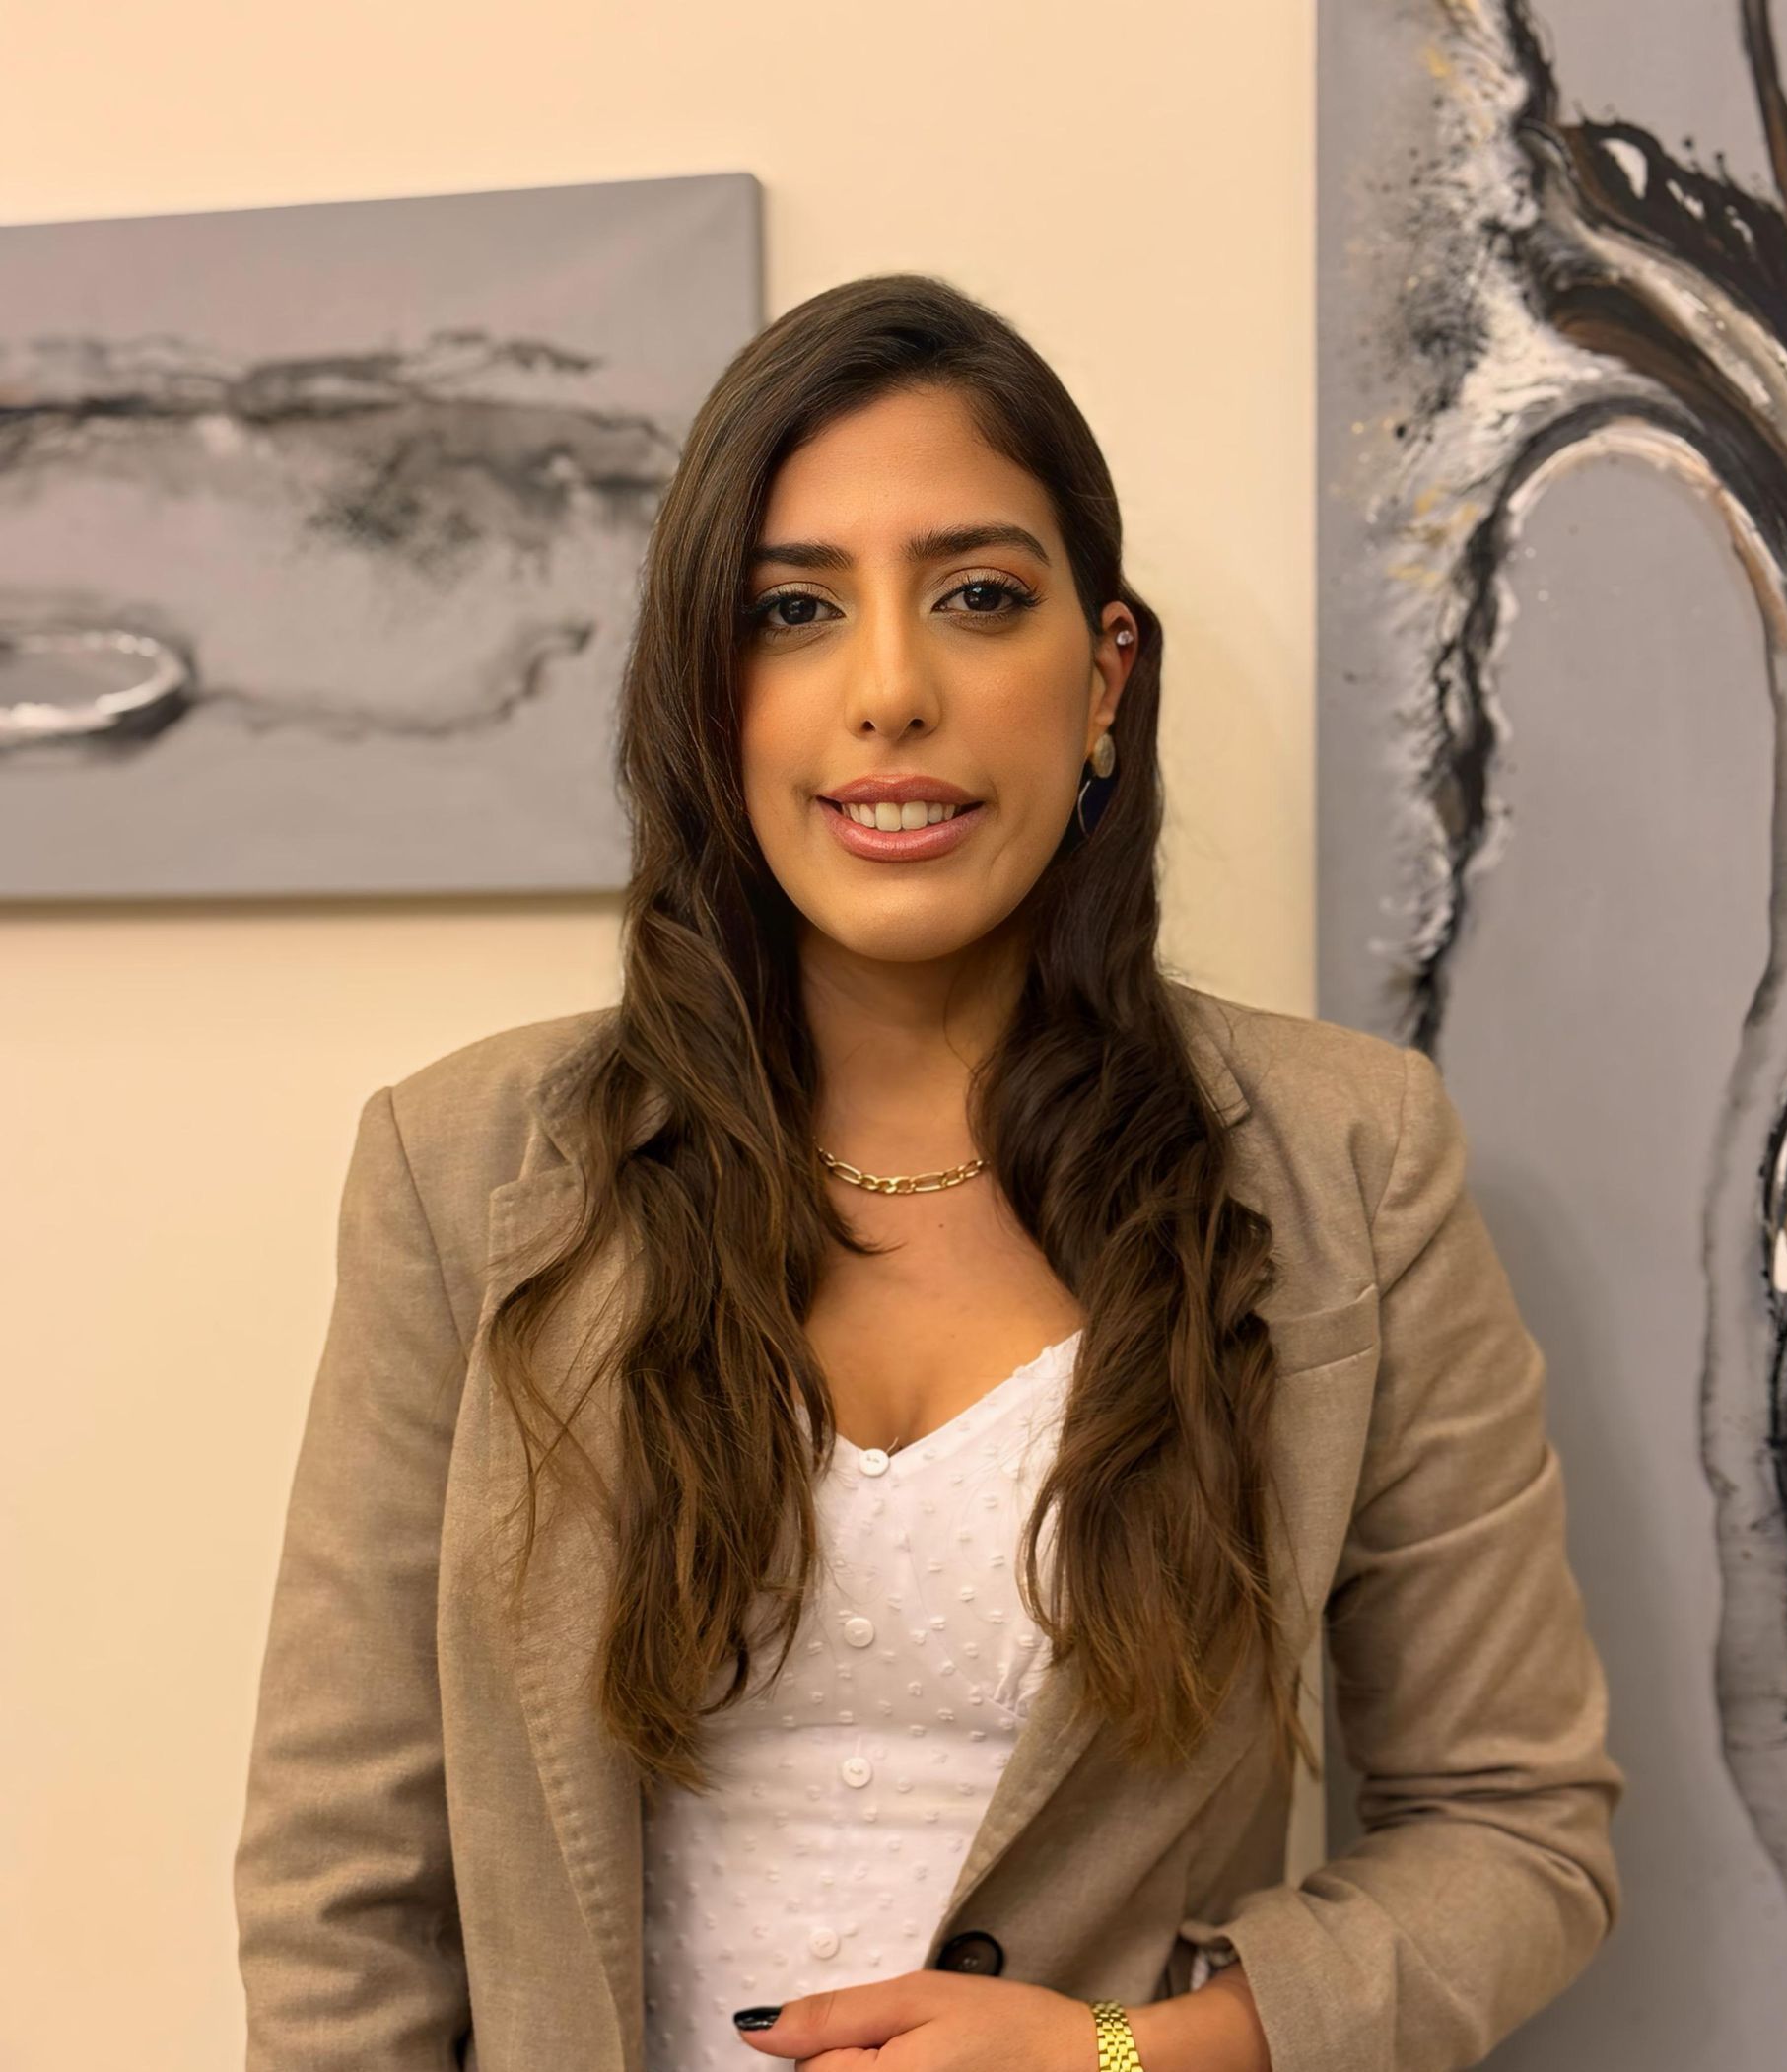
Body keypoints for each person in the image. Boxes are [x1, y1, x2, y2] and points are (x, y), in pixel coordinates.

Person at [234, 273, 1625, 2072]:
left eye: (979, 597)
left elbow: (1517, 1828)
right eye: (794, 611)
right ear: (706, 695)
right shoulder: (466, 1169)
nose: (890, 691)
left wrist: (1122, 2056)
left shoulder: (1351, 1163)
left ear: (1104, 672)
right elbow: (346, 1885)